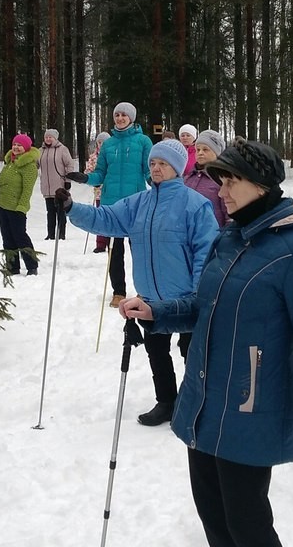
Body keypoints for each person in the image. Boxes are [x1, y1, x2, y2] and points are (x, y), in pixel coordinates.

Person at [118, 138, 293, 546]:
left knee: (247, 525)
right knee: (214, 519)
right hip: (204, 400)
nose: (222, 191)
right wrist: (156, 311)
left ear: (261, 185)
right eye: (220, 181)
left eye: (232, 181)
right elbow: (204, 305)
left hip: (251, 405)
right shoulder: (230, 237)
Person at [58, 139, 218, 426]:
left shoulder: (196, 205)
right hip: (150, 298)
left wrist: (199, 294)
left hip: (186, 299)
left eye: (163, 164)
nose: (156, 169)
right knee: (156, 351)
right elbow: (105, 217)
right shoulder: (139, 203)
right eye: (153, 164)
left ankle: (198, 402)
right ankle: (167, 401)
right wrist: (71, 208)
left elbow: (205, 253)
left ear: (178, 168)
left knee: (192, 353)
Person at [65, 102, 153, 306]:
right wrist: (84, 178)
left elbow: (149, 171)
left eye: (124, 115)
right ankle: (118, 292)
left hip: (136, 204)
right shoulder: (109, 144)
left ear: (131, 118)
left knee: (139, 250)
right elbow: (100, 174)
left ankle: (144, 291)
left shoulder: (143, 141)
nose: (120, 118)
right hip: (112, 205)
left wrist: (160, 185)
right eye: (117, 115)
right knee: (115, 250)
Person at [0, 134, 40, 276]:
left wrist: (22, 207)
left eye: (19, 145)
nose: (16, 147)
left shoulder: (29, 166)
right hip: (4, 206)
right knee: (7, 237)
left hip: (17, 208)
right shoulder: (10, 163)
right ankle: (12, 267)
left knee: (20, 237)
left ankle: (32, 266)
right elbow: (2, 182)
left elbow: (27, 190)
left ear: (26, 148)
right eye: (14, 144)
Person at [185, 129, 228, 227]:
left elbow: (229, 215)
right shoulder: (188, 178)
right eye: (198, 149)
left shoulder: (222, 179)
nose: (200, 153)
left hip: (214, 236)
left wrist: (226, 238)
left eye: (205, 149)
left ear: (217, 152)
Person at [36, 129, 74, 240]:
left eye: (50, 137)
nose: (48, 139)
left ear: (55, 138)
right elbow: (35, 165)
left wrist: (68, 180)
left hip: (59, 186)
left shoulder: (62, 149)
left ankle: (61, 233)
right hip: (47, 187)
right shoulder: (40, 151)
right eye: (46, 137)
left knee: (60, 211)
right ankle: (50, 234)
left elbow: (69, 165)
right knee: (50, 212)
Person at [84, 132, 111, 253]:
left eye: (104, 142)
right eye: (100, 142)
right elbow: (88, 171)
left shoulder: (113, 155)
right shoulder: (94, 157)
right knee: (100, 217)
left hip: (112, 192)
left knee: (111, 217)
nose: (102, 145)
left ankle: (112, 240)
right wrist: (92, 178)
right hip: (99, 193)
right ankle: (100, 243)